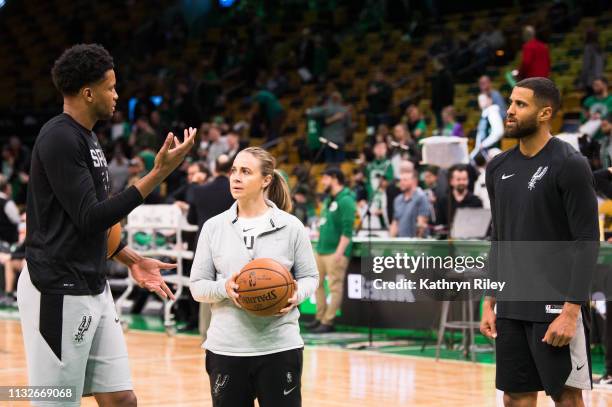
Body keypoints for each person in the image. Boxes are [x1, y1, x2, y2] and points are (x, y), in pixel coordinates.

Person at [18, 44, 197, 407]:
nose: (117, 95)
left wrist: (131, 259)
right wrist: (158, 174)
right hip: (57, 288)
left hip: (93, 283)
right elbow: (90, 218)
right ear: (88, 92)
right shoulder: (59, 137)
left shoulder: (89, 138)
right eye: (111, 87)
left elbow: (89, 222)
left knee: (120, 399)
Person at [480, 77, 599, 405]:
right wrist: (489, 300)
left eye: (521, 104)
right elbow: (499, 236)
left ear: (545, 113)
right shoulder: (497, 167)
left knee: (567, 398)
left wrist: (572, 311)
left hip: (556, 304)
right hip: (511, 302)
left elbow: (588, 241)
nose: (510, 111)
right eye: (511, 103)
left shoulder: (570, 164)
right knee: (514, 397)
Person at [189, 147, 319, 407]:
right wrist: (225, 288)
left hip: (280, 346)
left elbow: (309, 277)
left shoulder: (291, 225)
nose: (236, 178)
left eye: (246, 172)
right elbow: (197, 287)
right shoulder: (214, 227)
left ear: (266, 180)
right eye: (234, 171)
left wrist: (295, 294)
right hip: (227, 348)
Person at [308, 167, 356, 333]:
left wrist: (339, 252)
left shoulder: (346, 200)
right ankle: (319, 317)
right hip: (321, 249)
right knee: (316, 283)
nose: (322, 182)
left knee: (335, 287)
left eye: (325, 178)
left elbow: (348, 230)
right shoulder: (329, 200)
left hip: (335, 252)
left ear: (335, 178)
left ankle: (328, 321)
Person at [435, 164, 483, 230]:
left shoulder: (476, 201)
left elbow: (479, 225)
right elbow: (439, 225)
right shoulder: (443, 201)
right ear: (451, 181)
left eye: (464, 179)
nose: (461, 182)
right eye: (458, 179)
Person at [389, 171, 430, 238]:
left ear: (414, 181)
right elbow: (395, 223)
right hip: (401, 243)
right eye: (400, 180)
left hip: (416, 244)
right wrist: (390, 242)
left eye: (405, 180)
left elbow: (422, 224)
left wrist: (417, 243)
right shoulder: (398, 200)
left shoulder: (421, 197)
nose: (401, 182)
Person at [472, 93, 504, 159]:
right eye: (480, 100)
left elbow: (498, 132)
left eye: (483, 100)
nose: (481, 102)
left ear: (490, 100)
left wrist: (484, 144)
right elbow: (480, 135)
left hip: (492, 151)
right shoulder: (485, 115)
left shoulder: (493, 113)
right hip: (484, 151)